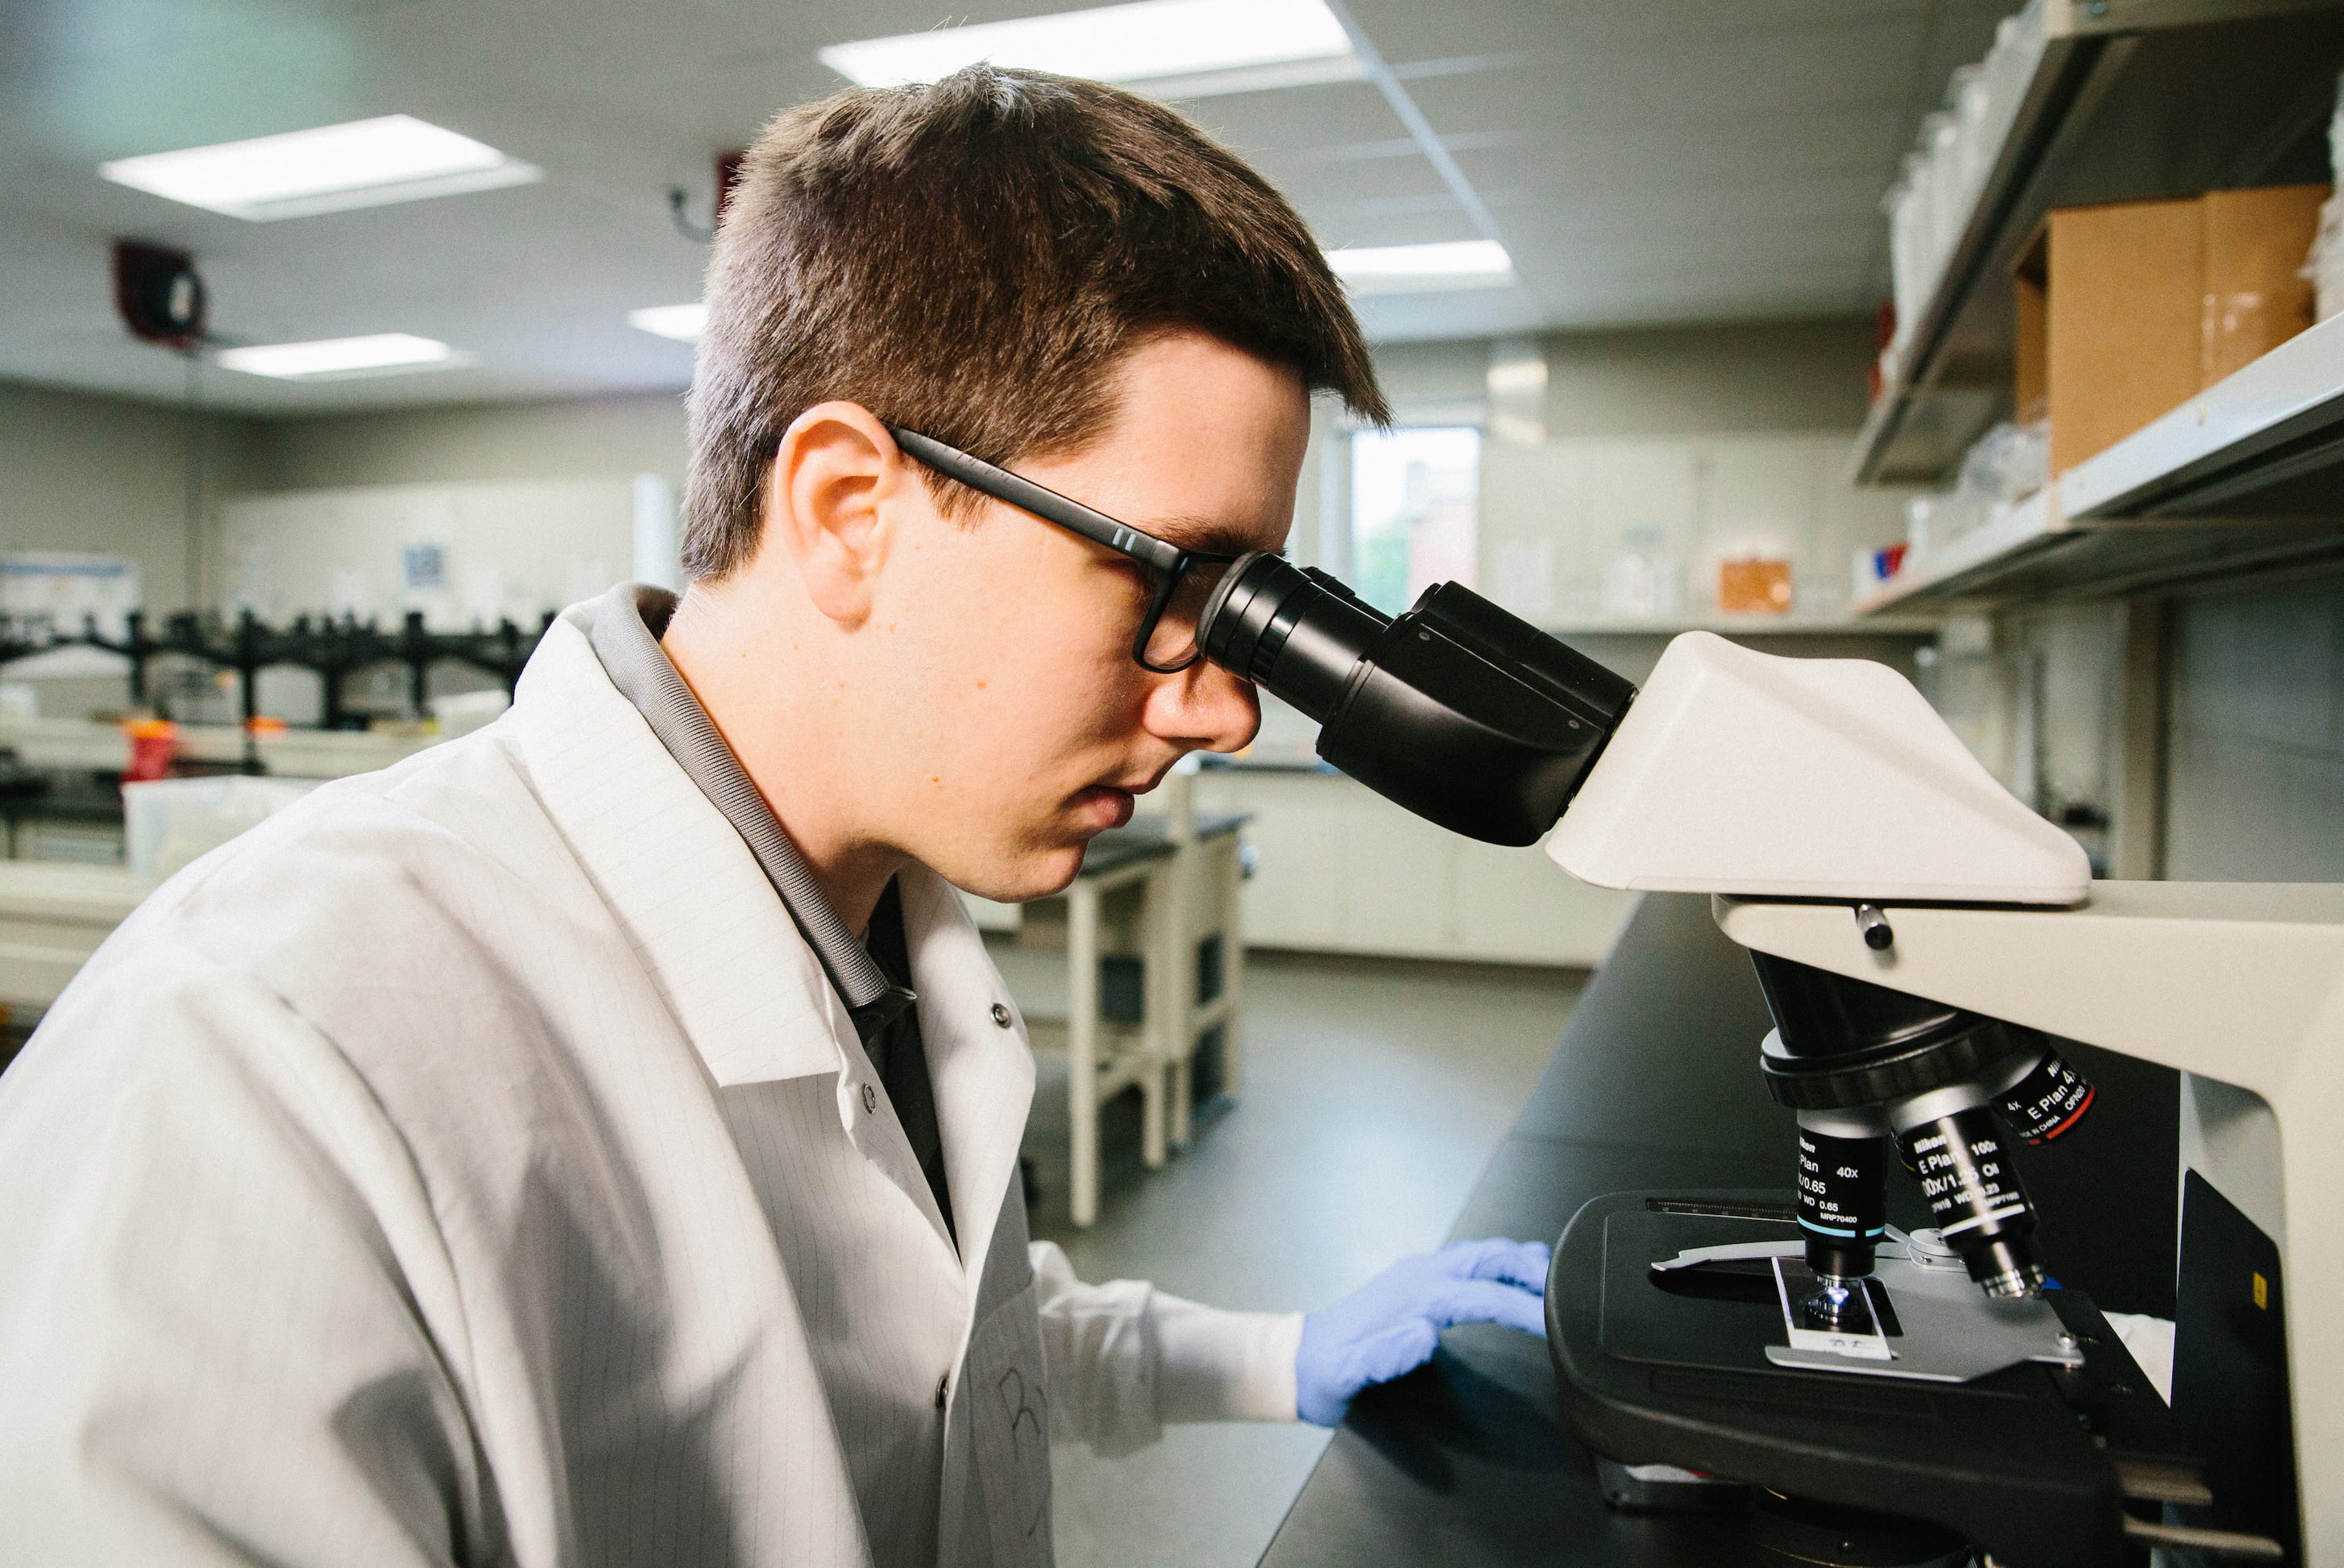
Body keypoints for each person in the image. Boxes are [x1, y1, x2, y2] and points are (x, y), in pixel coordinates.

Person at [0, 67, 1550, 1566]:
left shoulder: (878, 913)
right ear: (849, 511)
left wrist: (1265, 1355)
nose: (1226, 706)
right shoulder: (254, 1063)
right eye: (1176, 588)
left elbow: (926, 1321)